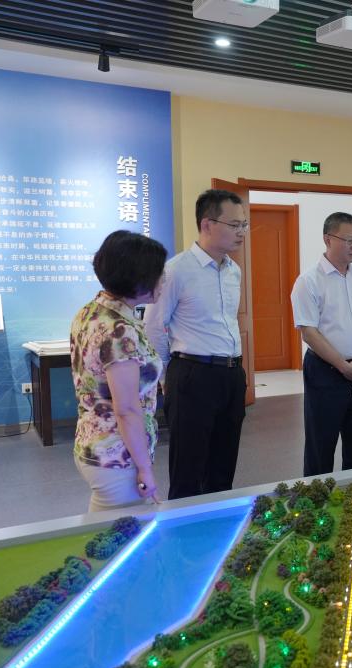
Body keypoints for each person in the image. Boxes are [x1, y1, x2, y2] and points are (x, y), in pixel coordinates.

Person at [144, 189, 247, 500]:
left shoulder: (234, 270)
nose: (242, 232)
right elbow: (154, 327)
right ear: (207, 224)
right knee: (188, 469)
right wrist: (166, 377)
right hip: (192, 374)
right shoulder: (176, 270)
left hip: (231, 374)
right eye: (234, 225)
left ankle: (219, 522)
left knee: (223, 465)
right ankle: (185, 527)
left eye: (244, 224)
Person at [70, 230, 167, 512]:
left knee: (108, 525)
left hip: (94, 443)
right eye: (158, 273)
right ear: (137, 278)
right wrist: (144, 468)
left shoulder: (90, 311)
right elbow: (126, 409)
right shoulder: (119, 330)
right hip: (116, 454)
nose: (163, 279)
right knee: (120, 531)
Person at [291, 212, 352, 477]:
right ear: (328, 239)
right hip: (326, 372)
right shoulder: (308, 281)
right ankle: (317, 498)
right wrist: (343, 365)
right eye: (348, 240)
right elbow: (309, 333)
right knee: (321, 445)